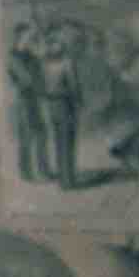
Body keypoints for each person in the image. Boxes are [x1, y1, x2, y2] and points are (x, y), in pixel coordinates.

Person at [43, 23, 82, 188]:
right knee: (68, 142)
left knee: (59, 142)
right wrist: (79, 102)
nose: (60, 45)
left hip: (52, 106)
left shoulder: (45, 63)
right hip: (65, 105)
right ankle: (68, 181)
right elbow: (74, 86)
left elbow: (45, 86)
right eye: (58, 42)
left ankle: (63, 180)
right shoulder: (66, 63)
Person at [8, 21, 47, 181]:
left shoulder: (31, 56)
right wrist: (36, 79)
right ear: (19, 36)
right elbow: (27, 79)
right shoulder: (13, 56)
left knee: (41, 134)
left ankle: (43, 169)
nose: (31, 39)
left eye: (31, 36)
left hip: (34, 98)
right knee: (26, 137)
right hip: (22, 100)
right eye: (28, 36)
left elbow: (41, 76)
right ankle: (27, 173)